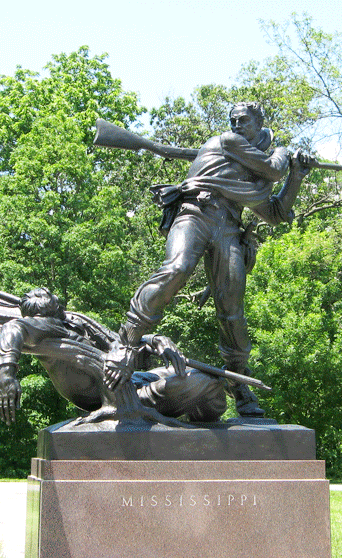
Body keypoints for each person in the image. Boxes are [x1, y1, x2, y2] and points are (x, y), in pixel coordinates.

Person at [107, 102, 312, 416]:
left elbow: (275, 213)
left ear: (258, 123)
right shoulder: (228, 142)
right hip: (195, 214)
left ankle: (238, 381)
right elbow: (274, 168)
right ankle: (127, 342)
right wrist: (285, 154)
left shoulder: (251, 173)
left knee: (232, 309)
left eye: (243, 121)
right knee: (177, 268)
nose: (236, 125)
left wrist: (296, 176)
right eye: (233, 120)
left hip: (228, 227)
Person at [0, 287, 226, 425]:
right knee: (209, 383)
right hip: (124, 395)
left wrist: (155, 340)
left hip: (134, 380)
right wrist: (5, 374)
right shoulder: (47, 327)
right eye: (53, 301)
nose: (60, 305)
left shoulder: (71, 322)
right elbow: (13, 327)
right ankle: (204, 435)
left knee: (199, 372)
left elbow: (119, 343)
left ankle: (201, 432)